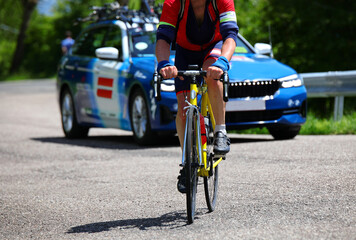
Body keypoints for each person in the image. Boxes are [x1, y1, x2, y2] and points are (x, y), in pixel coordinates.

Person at [155, 0, 239, 193]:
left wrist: (223, 62)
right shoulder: (173, 3)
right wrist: (164, 63)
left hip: (214, 47)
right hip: (185, 52)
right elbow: (163, 38)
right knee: (184, 112)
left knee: (211, 73)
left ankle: (220, 131)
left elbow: (231, 35)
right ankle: (187, 163)